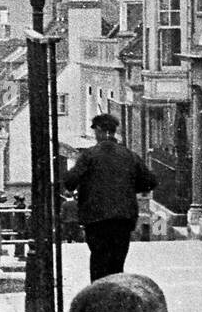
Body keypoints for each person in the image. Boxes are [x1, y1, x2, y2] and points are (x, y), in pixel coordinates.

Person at [63, 113, 157, 282]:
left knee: (98, 260)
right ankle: (114, 300)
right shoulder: (129, 155)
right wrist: (129, 188)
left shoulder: (89, 156)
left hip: (96, 218)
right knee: (117, 263)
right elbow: (150, 181)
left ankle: (99, 300)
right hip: (123, 217)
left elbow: (70, 182)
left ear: (99, 131)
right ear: (113, 132)